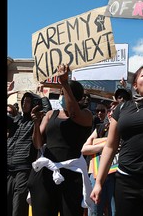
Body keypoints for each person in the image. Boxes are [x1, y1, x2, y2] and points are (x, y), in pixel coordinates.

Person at [90, 17, 143, 216]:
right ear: (135, 84)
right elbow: (110, 147)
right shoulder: (122, 109)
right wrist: (99, 183)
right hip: (125, 182)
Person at [27, 64, 94, 216]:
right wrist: (36, 123)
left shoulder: (86, 115)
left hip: (71, 177)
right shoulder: (51, 114)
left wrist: (65, 82)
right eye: (62, 93)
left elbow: (73, 114)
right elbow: (38, 144)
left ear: (75, 96)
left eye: (64, 93)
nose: (62, 97)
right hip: (45, 176)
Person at [7, 89, 43, 216]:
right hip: (9, 169)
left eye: (28, 101)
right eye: (24, 101)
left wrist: (36, 121)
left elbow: (37, 144)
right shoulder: (15, 120)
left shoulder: (37, 122)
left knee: (18, 207)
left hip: (23, 170)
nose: (24, 104)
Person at [82, 102, 117, 216]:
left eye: (115, 111)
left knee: (115, 211)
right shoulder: (100, 128)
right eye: (111, 110)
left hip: (116, 177)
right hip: (97, 175)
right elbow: (84, 149)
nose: (112, 113)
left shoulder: (126, 131)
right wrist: (105, 145)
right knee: (95, 210)